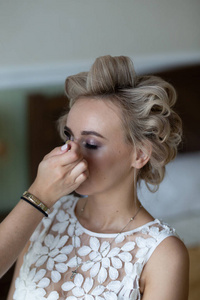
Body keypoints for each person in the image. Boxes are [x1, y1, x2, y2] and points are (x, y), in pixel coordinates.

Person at [6, 55, 189, 300]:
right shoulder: (41, 216)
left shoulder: (162, 253)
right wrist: (38, 195)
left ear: (140, 154)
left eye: (91, 143)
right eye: (69, 137)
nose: (71, 153)